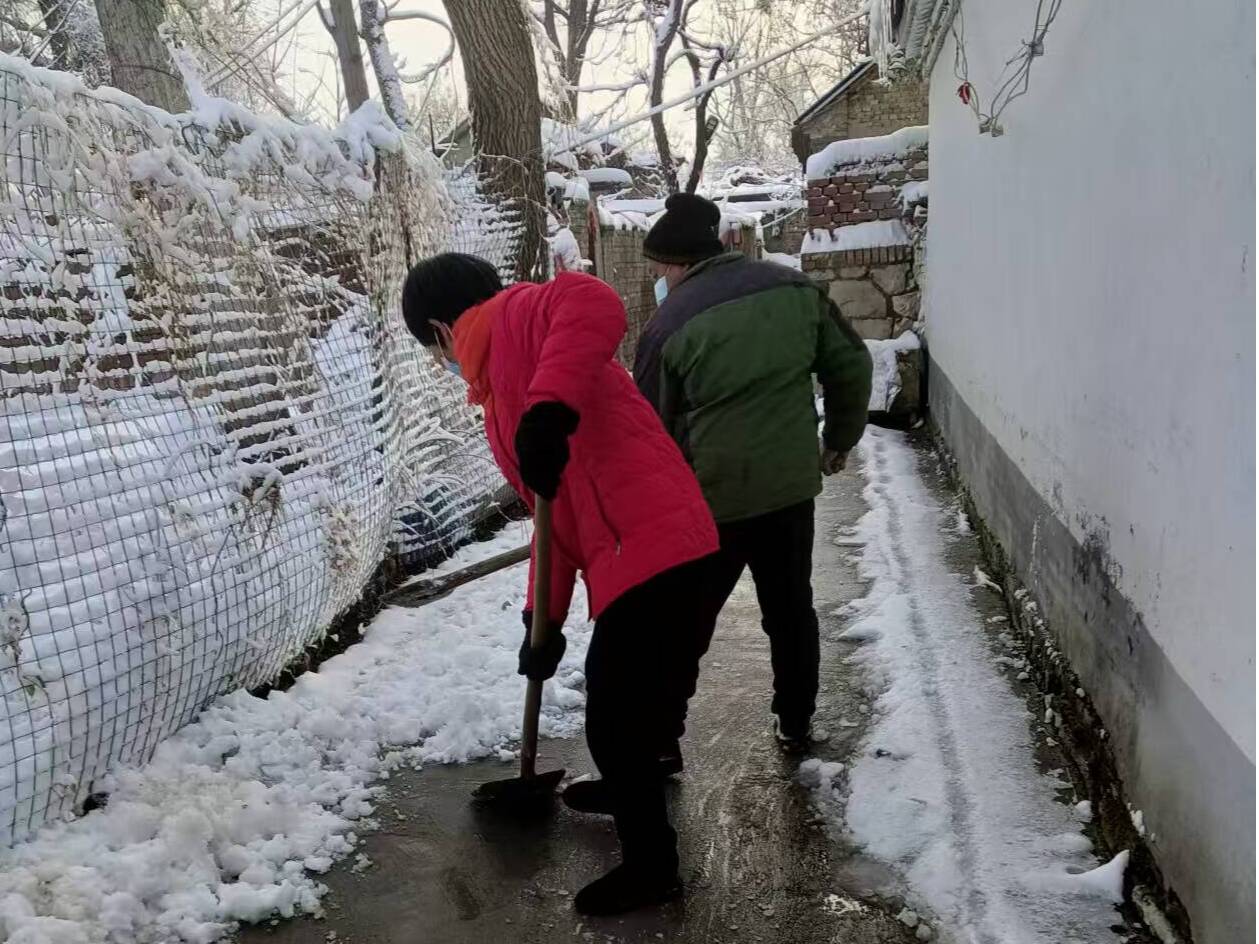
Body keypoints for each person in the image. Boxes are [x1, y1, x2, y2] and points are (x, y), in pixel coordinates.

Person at [401, 253, 721, 916]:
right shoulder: (496, 398)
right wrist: (540, 622)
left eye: (432, 350)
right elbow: (554, 525)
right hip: (649, 549)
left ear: (439, 329)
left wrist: (549, 410)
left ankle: (652, 867)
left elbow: (594, 300)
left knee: (614, 720)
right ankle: (634, 785)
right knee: (638, 703)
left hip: (654, 543)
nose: (440, 363)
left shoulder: (519, 315)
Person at [633, 193, 873, 751]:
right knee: (790, 611)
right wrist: (838, 440)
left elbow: (648, 428)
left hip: (710, 502)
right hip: (789, 491)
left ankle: (662, 742)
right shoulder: (795, 290)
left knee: (686, 624)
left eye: (661, 269)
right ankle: (796, 721)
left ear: (678, 263)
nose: (661, 280)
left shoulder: (668, 325)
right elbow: (852, 366)